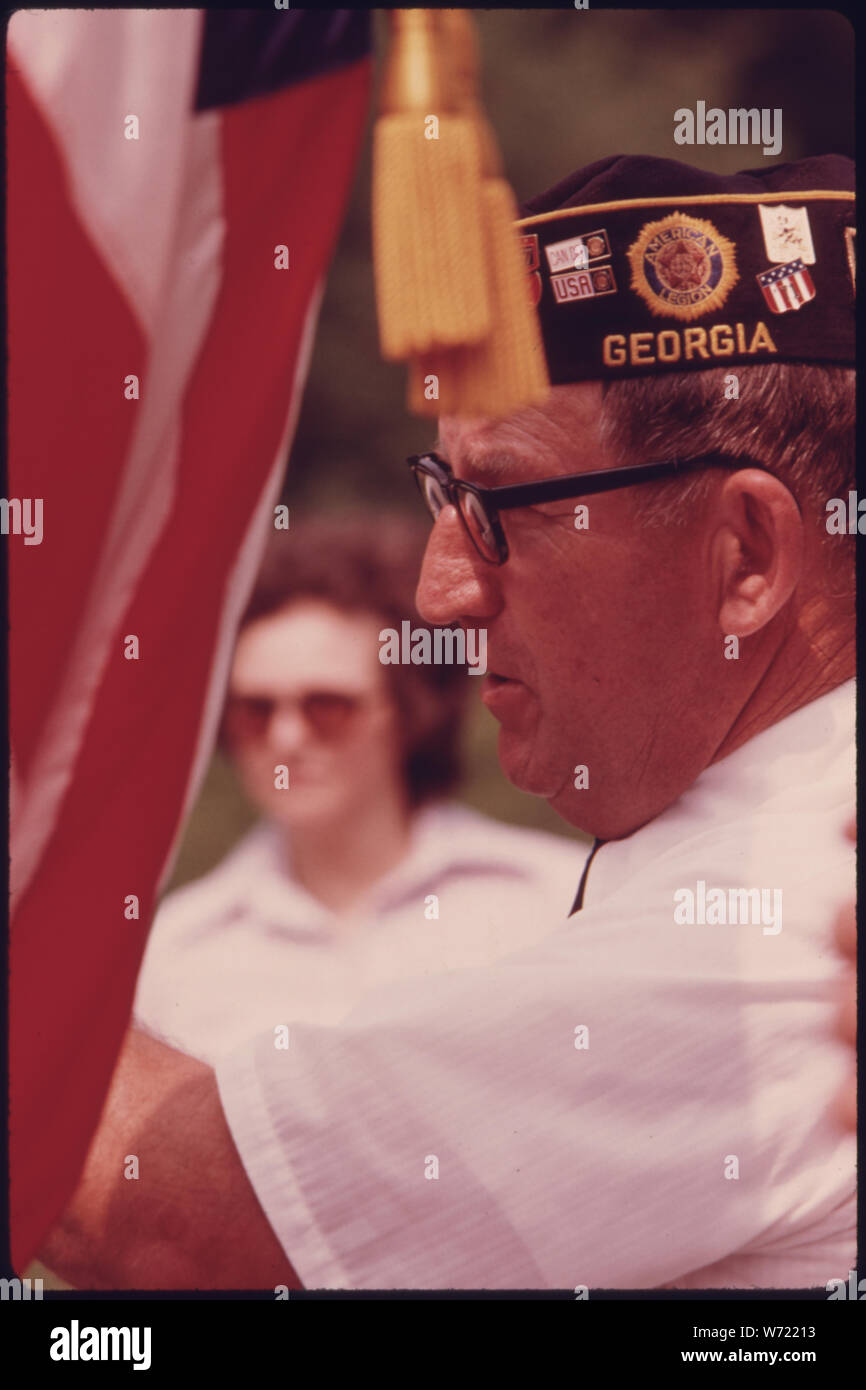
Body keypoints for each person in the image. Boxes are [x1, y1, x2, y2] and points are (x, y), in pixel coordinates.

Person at [41, 153, 855, 1291]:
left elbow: (165, 1215)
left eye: (500, 507)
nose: (440, 592)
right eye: (441, 492)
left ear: (745, 557)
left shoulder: (767, 934)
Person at [133, 515, 584, 1060]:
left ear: (409, 712)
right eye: (255, 711)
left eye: (327, 707)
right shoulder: (171, 956)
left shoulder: (559, 900)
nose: (287, 737)